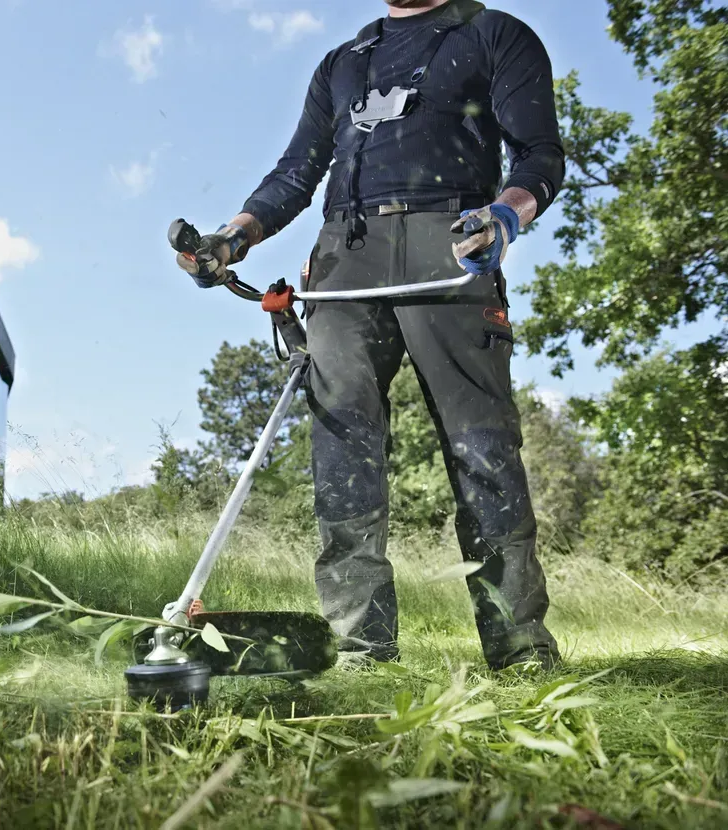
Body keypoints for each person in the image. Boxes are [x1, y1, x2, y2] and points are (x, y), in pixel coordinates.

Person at [178, 0, 563, 670]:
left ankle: (518, 646)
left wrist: (503, 218)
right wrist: (231, 238)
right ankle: (360, 650)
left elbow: (538, 154)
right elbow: (298, 170)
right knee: (341, 450)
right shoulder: (343, 62)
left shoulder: (493, 33)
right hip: (344, 254)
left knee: (481, 449)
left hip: (450, 240)